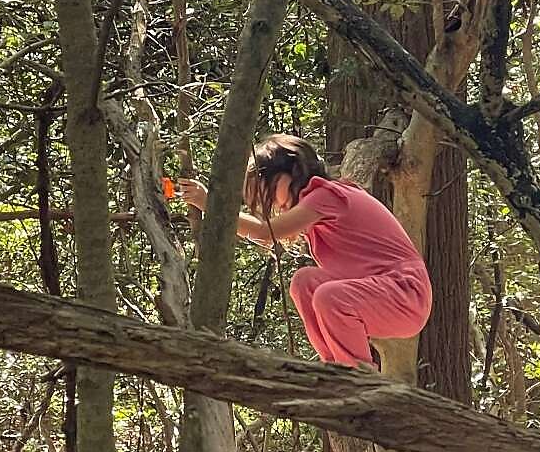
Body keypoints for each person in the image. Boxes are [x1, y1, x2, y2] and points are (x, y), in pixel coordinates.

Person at [177, 134, 432, 367]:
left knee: (330, 297)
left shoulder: (325, 196)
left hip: (406, 293)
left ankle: (357, 375)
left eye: (270, 187)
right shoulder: (320, 199)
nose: (274, 202)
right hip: (383, 289)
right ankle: (334, 366)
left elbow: (267, 232)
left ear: (292, 172)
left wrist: (211, 204)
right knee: (305, 282)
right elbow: (268, 236)